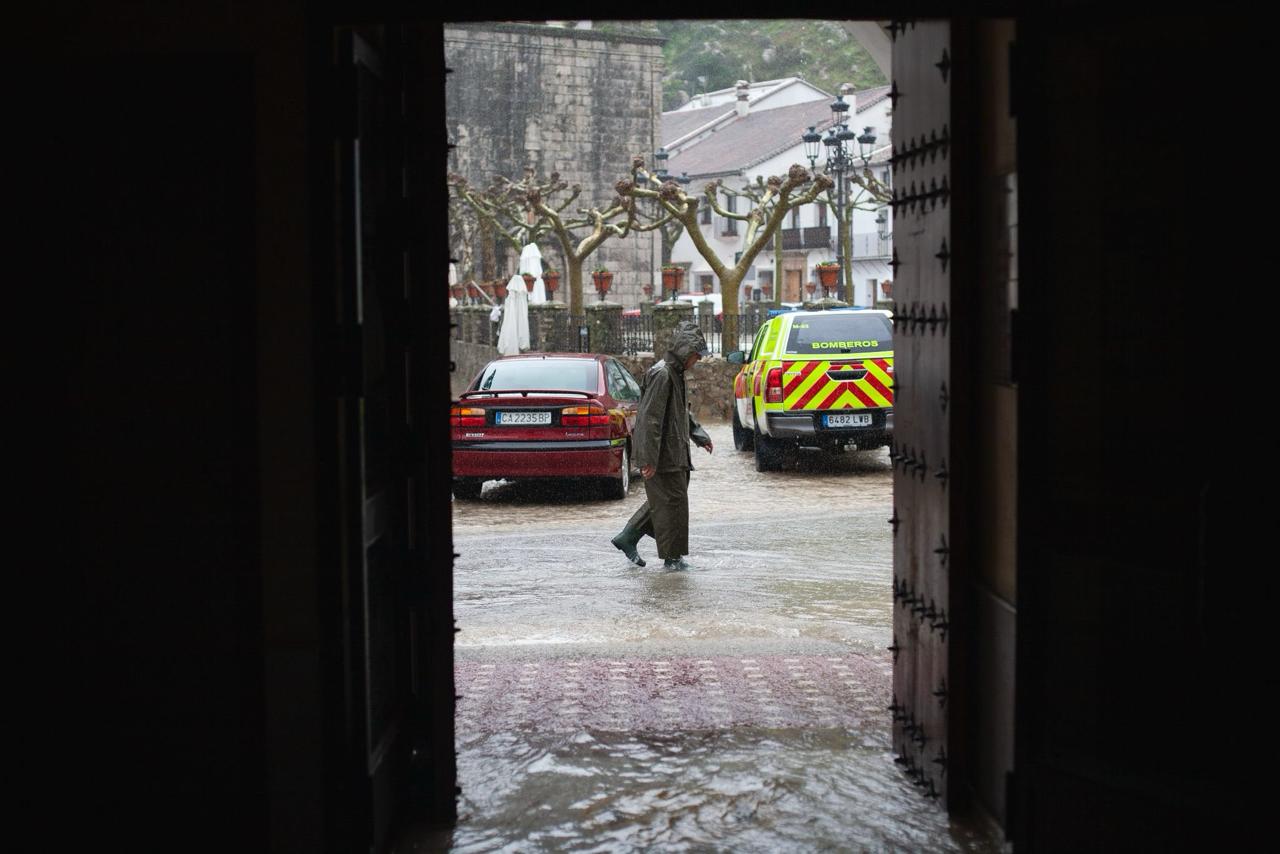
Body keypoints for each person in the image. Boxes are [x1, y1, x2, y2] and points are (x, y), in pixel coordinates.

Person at [610, 319, 713, 570]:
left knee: (668, 501)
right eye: (696, 356)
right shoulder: (663, 374)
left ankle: (628, 538)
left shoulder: (674, 374)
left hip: (674, 453)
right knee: (671, 504)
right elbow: (649, 420)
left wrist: (699, 436)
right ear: (686, 352)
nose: (697, 361)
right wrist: (646, 460)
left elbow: (680, 413)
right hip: (664, 456)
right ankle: (672, 558)